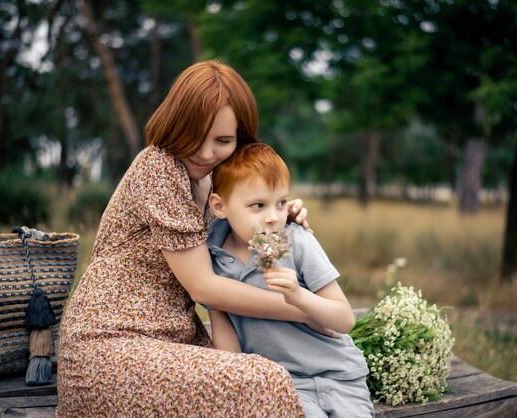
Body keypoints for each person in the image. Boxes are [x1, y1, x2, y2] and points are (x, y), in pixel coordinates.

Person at [57, 60, 322, 416]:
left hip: (174, 344)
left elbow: (248, 230)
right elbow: (204, 288)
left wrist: (278, 215)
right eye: (193, 135)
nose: (205, 151)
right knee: (264, 381)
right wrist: (307, 310)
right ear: (176, 123)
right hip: (111, 346)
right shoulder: (159, 167)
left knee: (280, 376)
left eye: (224, 141)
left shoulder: (219, 184)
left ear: (241, 139)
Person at [206, 143, 375, 418]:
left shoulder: (298, 241)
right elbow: (224, 330)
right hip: (283, 384)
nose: (273, 217)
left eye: (281, 202)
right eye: (258, 205)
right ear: (219, 206)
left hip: (339, 375)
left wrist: (299, 295)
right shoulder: (212, 259)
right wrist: (238, 390)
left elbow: (344, 319)